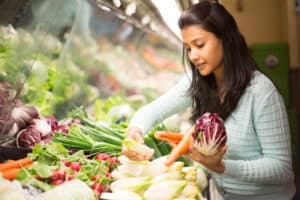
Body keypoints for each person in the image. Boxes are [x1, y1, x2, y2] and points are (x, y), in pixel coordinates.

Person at [122, 1, 296, 200]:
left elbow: (281, 168)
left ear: (225, 39)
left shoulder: (261, 92)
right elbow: (152, 111)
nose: (193, 56)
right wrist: (134, 132)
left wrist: (221, 166)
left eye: (199, 45)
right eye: (188, 48)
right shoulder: (200, 82)